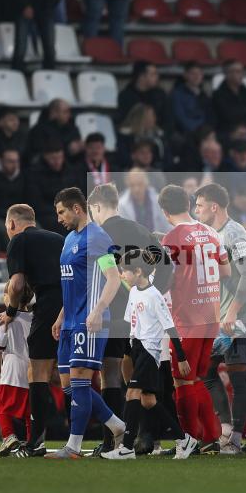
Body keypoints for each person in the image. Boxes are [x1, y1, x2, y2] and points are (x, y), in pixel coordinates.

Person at [86, 182, 174, 456]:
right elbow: (166, 264)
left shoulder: (98, 235)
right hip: (141, 316)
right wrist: (152, 293)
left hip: (112, 314)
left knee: (111, 375)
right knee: (143, 377)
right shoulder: (140, 230)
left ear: (96, 207)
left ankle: (111, 439)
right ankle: (148, 438)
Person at [44, 187, 126, 459]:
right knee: (67, 384)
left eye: (61, 212)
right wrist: (61, 316)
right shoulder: (69, 239)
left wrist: (98, 310)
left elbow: (113, 279)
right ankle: (117, 425)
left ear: (77, 209)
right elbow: (73, 283)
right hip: (70, 321)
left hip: (90, 321)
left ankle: (73, 446)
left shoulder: (99, 238)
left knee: (80, 381)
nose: (59, 218)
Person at [157, 184, 229, 457]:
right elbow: (226, 271)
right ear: (188, 204)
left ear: (165, 211)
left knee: (182, 380)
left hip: (187, 316)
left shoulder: (170, 238)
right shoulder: (211, 233)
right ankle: (209, 437)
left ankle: (188, 439)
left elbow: (167, 280)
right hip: (211, 313)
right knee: (196, 377)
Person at [103, 247, 192, 459]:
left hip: (150, 351)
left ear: (139, 272)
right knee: (148, 401)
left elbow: (170, 328)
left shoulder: (154, 296)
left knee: (132, 394)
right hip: (137, 349)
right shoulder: (134, 292)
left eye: (125, 271)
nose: (122, 274)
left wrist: (181, 357)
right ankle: (184, 439)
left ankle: (126, 448)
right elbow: (130, 324)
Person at [193, 183, 246, 455]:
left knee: (237, 375)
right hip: (219, 317)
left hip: (240, 317)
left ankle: (234, 440)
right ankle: (225, 429)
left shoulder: (234, 233)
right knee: (206, 370)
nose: (195, 211)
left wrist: (232, 311)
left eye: (198, 206)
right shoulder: (208, 234)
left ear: (213, 206)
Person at [0, 203, 64, 458]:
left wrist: (11, 312)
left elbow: (16, 285)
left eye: (7, 226)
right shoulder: (59, 238)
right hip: (72, 304)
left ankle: (36, 440)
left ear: (12, 224)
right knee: (73, 375)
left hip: (47, 304)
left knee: (37, 371)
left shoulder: (18, 241)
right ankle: (80, 440)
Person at [0, 278, 32, 456]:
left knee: (1, 406)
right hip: (32, 370)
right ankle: (34, 441)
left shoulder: (4, 318)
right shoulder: (34, 318)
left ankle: (8, 436)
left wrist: (4, 327)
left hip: (11, 372)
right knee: (29, 411)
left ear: (10, 297)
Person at [4, 0, 62, 71]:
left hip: (46, 9)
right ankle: (17, 79)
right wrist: (24, 5)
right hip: (24, 8)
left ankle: (48, 80)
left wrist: (51, 4)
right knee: (20, 49)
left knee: (50, 49)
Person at [26, 141, 80, 233]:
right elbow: (36, 204)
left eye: (60, 157)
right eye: (53, 158)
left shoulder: (69, 171)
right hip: (47, 215)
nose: (57, 162)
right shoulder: (34, 174)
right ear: (45, 157)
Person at [116, 61, 172, 134]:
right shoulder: (125, 96)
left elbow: (169, 120)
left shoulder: (160, 95)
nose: (157, 77)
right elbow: (124, 122)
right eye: (153, 74)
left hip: (157, 135)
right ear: (141, 76)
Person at [26, 99, 83, 164]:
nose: (69, 115)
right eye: (65, 112)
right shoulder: (38, 131)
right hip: (46, 170)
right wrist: (68, 150)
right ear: (54, 113)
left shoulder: (73, 128)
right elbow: (41, 155)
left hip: (71, 168)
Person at [118, 168, 170, 233]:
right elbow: (123, 231)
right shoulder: (122, 205)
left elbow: (167, 226)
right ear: (128, 185)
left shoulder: (159, 200)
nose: (136, 189)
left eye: (140, 184)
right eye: (132, 185)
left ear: (146, 184)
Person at [171, 61, 214, 136]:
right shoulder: (177, 94)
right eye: (193, 73)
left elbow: (210, 117)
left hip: (205, 133)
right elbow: (180, 118)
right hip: (187, 134)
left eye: (199, 73)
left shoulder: (204, 95)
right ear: (185, 75)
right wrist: (198, 132)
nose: (197, 76)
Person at [0, 149, 25, 220]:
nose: (15, 165)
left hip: (20, 217)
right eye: (10, 161)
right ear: (2, 161)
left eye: (17, 161)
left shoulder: (24, 177)